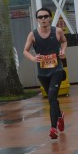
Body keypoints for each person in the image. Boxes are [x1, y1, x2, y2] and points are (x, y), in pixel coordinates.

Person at [23, 7, 67, 140]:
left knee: (52, 95)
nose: (43, 19)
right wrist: (33, 58)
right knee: (52, 98)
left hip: (57, 70)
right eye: (40, 17)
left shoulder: (57, 31)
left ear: (50, 18)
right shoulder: (33, 34)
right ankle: (59, 115)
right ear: (37, 19)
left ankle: (53, 128)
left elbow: (64, 41)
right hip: (42, 73)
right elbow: (25, 51)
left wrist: (63, 50)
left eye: (45, 16)